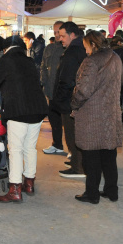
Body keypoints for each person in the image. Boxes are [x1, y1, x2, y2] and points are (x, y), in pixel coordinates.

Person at [0, 35, 48, 202]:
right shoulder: (28, 60)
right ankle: (29, 183)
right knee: (30, 148)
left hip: (18, 110)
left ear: (5, 49)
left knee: (15, 150)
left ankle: (15, 189)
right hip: (38, 109)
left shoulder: (5, 60)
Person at [72, 30, 123, 204]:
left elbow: (83, 90)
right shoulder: (116, 57)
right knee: (109, 155)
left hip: (92, 115)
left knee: (91, 157)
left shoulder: (91, 61)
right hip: (111, 112)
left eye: (86, 46)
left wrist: (74, 104)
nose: (85, 50)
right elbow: (121, 81)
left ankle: (92, 193)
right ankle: (111, 191)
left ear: (93, 45)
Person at [51, 21, 86, 179]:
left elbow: (67, 79)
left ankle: (79, 167)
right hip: (76, 100)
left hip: (70, 101)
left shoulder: (73, 52)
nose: (60, 39)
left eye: (63, 35)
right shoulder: (79, 48)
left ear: (73, 35)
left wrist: (58, 100)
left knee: (73, 135)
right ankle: (77, 163)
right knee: (75, 134)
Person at [40, 21, 66, 154]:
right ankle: (57, 144)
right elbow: (43, 67)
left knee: (67, 122)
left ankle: (73, 150)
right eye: (55, 32)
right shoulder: (49, 48)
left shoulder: (67, 48)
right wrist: (44, 83)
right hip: (50, 91)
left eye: (59, 32)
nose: (56, 35)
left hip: (65, 91)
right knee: (54, 120)